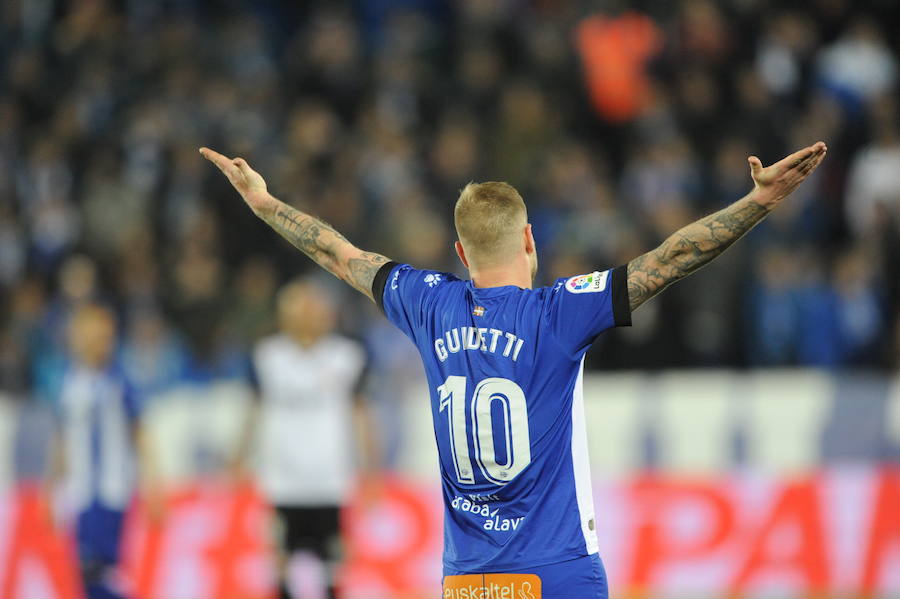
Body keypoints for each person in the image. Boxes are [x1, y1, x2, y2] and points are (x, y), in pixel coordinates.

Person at [199, 140, 827, 598]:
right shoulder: (560, 312)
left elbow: (338, 252)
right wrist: (759, 201)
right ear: (530, 240)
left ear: (458, 251)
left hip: (469, 581)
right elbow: (671, 259)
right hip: (558, 573)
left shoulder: (428, 303)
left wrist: (264, 202)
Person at [236, 278, 379, 599]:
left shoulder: (347, 355)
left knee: (332, 564)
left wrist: (371, 468)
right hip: (282, 478)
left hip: (330, 477)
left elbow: (361, 413)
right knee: (281, 560)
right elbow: (254, 409)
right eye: (304, 305)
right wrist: (239, 457)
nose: (317, 312)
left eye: (318, 305)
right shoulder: (266, 356)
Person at [48, 303, 160, 599]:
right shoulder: (68, 383)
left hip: (113, 490)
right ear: (77, 338)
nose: (102, 344)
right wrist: (51, 488)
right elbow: (61, 438)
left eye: (106, 337)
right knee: (84, 569)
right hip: (80, 491)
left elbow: (140, 434)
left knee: (107, 569)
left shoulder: (120, 381)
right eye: (95, 337)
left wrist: (154, 483)